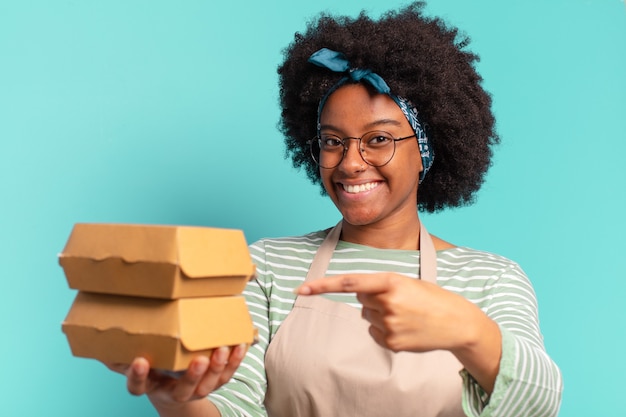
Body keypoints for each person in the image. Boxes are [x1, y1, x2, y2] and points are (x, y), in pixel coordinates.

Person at [109, 2, 563, 416]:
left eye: (379, 139)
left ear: (426, 148)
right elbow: (233, 407)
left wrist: (468, 330)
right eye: (332, 141)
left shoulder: (490, 279)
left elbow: (539, 404)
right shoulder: (266, 266)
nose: (349, 163)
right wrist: (174, 400)